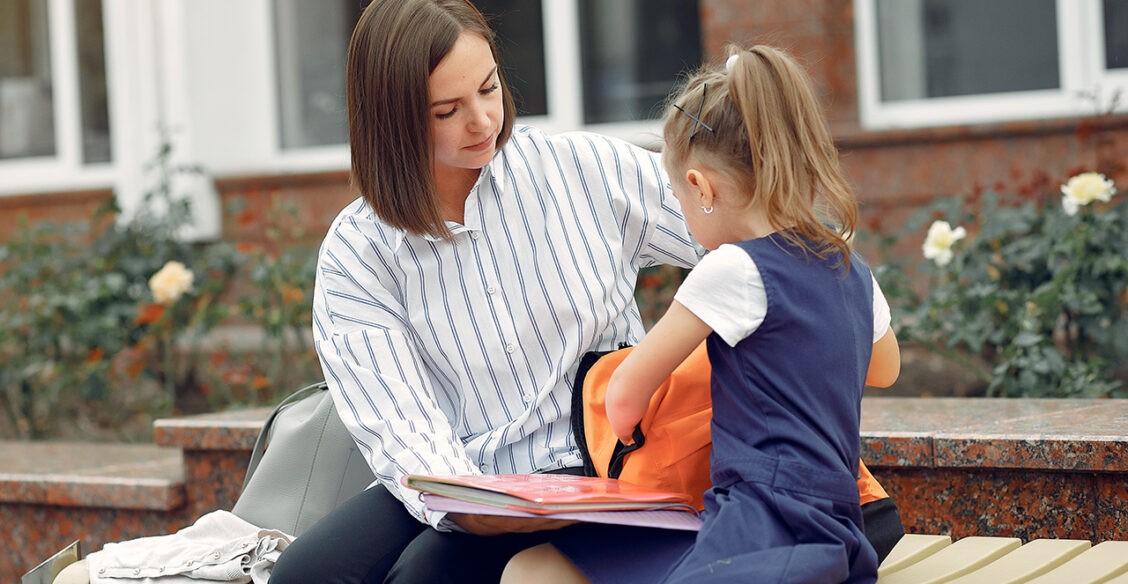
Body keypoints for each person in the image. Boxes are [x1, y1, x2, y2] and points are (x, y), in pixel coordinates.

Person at [268, 0, 705, 582]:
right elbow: (394, 417)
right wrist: (466, 506)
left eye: (489, 88)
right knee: (305, 575)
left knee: (425, 577)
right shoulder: (359, 249)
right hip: (464, 472)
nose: (482, 122)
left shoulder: (577, 168)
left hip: (604, 458)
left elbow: (734, 234)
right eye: (447, 110)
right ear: (390, 120)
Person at [502, 44, 901, 583]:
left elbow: (625, 394)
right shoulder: (848, 265)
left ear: (700, 187)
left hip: (759, 529)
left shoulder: (732, 269)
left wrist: (627, 432)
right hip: (840, 528)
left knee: (537, 570)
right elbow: (884, 369)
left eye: (678, 197)